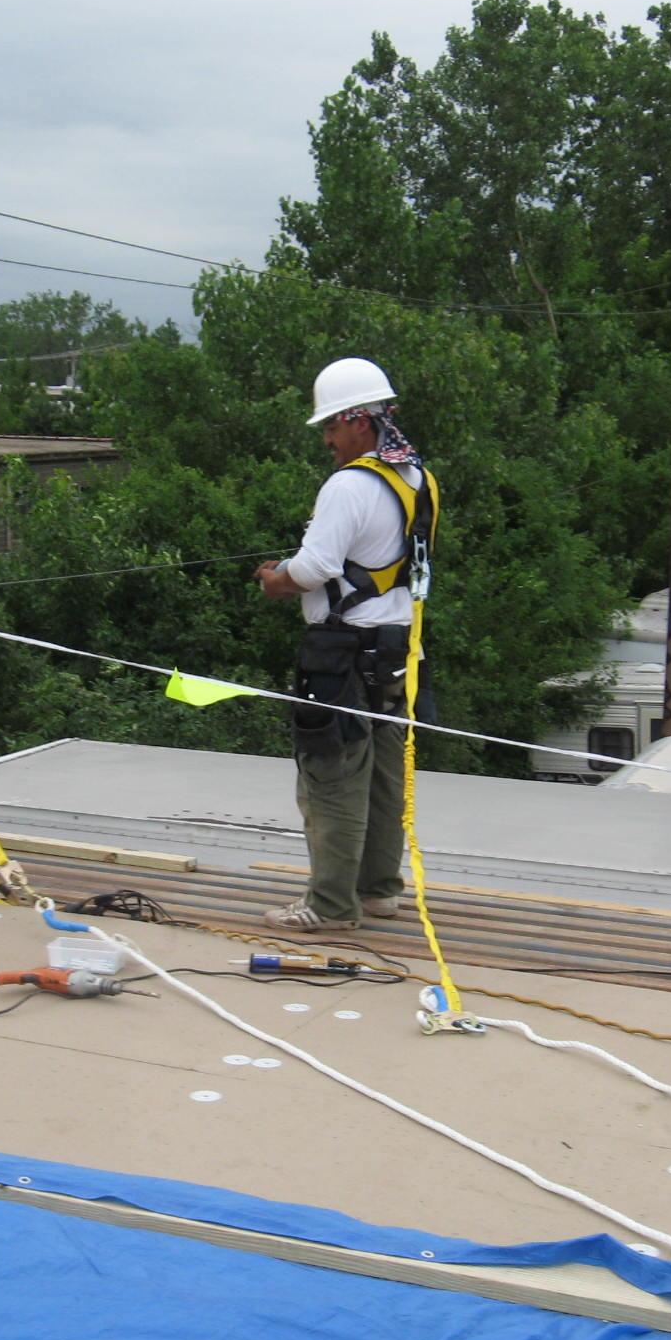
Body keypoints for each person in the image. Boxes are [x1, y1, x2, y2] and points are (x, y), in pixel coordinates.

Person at [254, 358, 439, 932]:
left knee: (330, 775)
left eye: (332, 427)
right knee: (384, 774)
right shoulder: (416, 479)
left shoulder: (349, 485)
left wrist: (275, 579)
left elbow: (315, 568)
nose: (328, 440)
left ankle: (331, 905)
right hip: (397, 649)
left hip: (340, 653)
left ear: (360, 421)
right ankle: (378, 889)